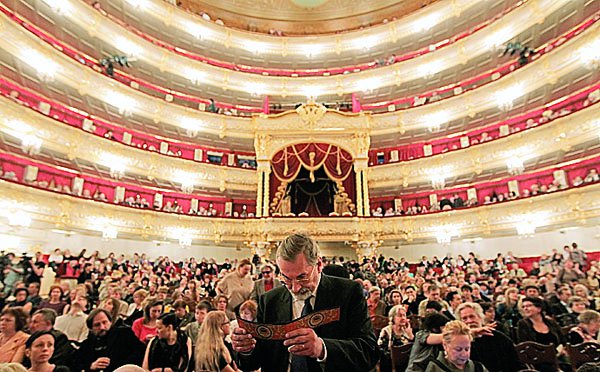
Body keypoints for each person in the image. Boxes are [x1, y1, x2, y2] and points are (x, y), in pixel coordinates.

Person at [231, 233, 379, 372]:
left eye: (302, 277)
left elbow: (369, 352)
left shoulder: (348, 292)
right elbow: (252, 363)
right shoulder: (269, 300)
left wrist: (322, 348)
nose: (295, 288)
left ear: (319, 265)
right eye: (287, 279)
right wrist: (246, 349)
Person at [73, 308, 145, 372]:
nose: (102, 327)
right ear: (91, 328)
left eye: (104, 322)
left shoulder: (124, 334)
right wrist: (91, 366)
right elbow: (76, 363)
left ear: (110, 322)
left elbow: (140, 353)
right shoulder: (87, 344)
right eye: (97, 325)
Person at [457, 302, 522, 372]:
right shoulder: (458, 343)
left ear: (480, 317)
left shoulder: (498, 337)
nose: (469, 321)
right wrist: (470, 333)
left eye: (472, 316)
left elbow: (515, 363)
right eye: (464, 318)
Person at [424, 320, 488, 372]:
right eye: (458, 349)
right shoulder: (434, 368)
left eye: (467, 349)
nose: (464, 354)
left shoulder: (478, 368)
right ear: (445, 346)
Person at [378, 305, 414, 372]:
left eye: (404, 315)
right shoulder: (386, 331)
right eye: (400, 315)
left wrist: (410, 335)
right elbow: (380, 349)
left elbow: (414, 350)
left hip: (407, 363)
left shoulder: (408, 330)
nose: (403, 318)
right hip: (389, 363)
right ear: (392, 318)